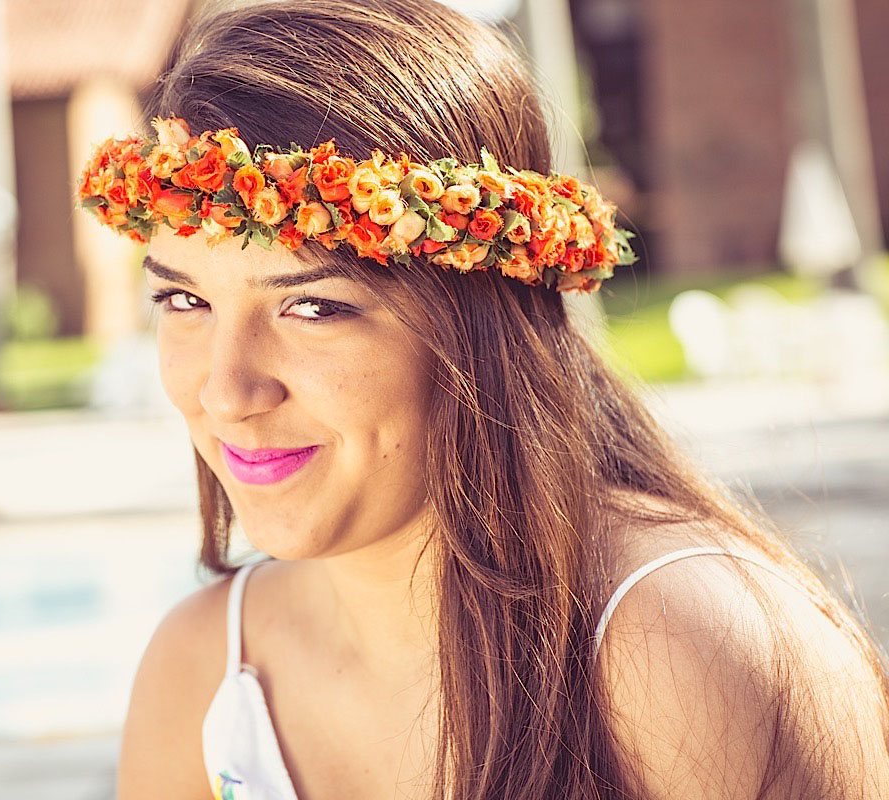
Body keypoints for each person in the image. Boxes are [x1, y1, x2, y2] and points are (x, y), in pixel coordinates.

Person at [78, 1, 889, 797]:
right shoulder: (203, 672)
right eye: (185, 301)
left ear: (479, 326)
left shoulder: (694, 653)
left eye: (314, 306)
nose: (226, 392)